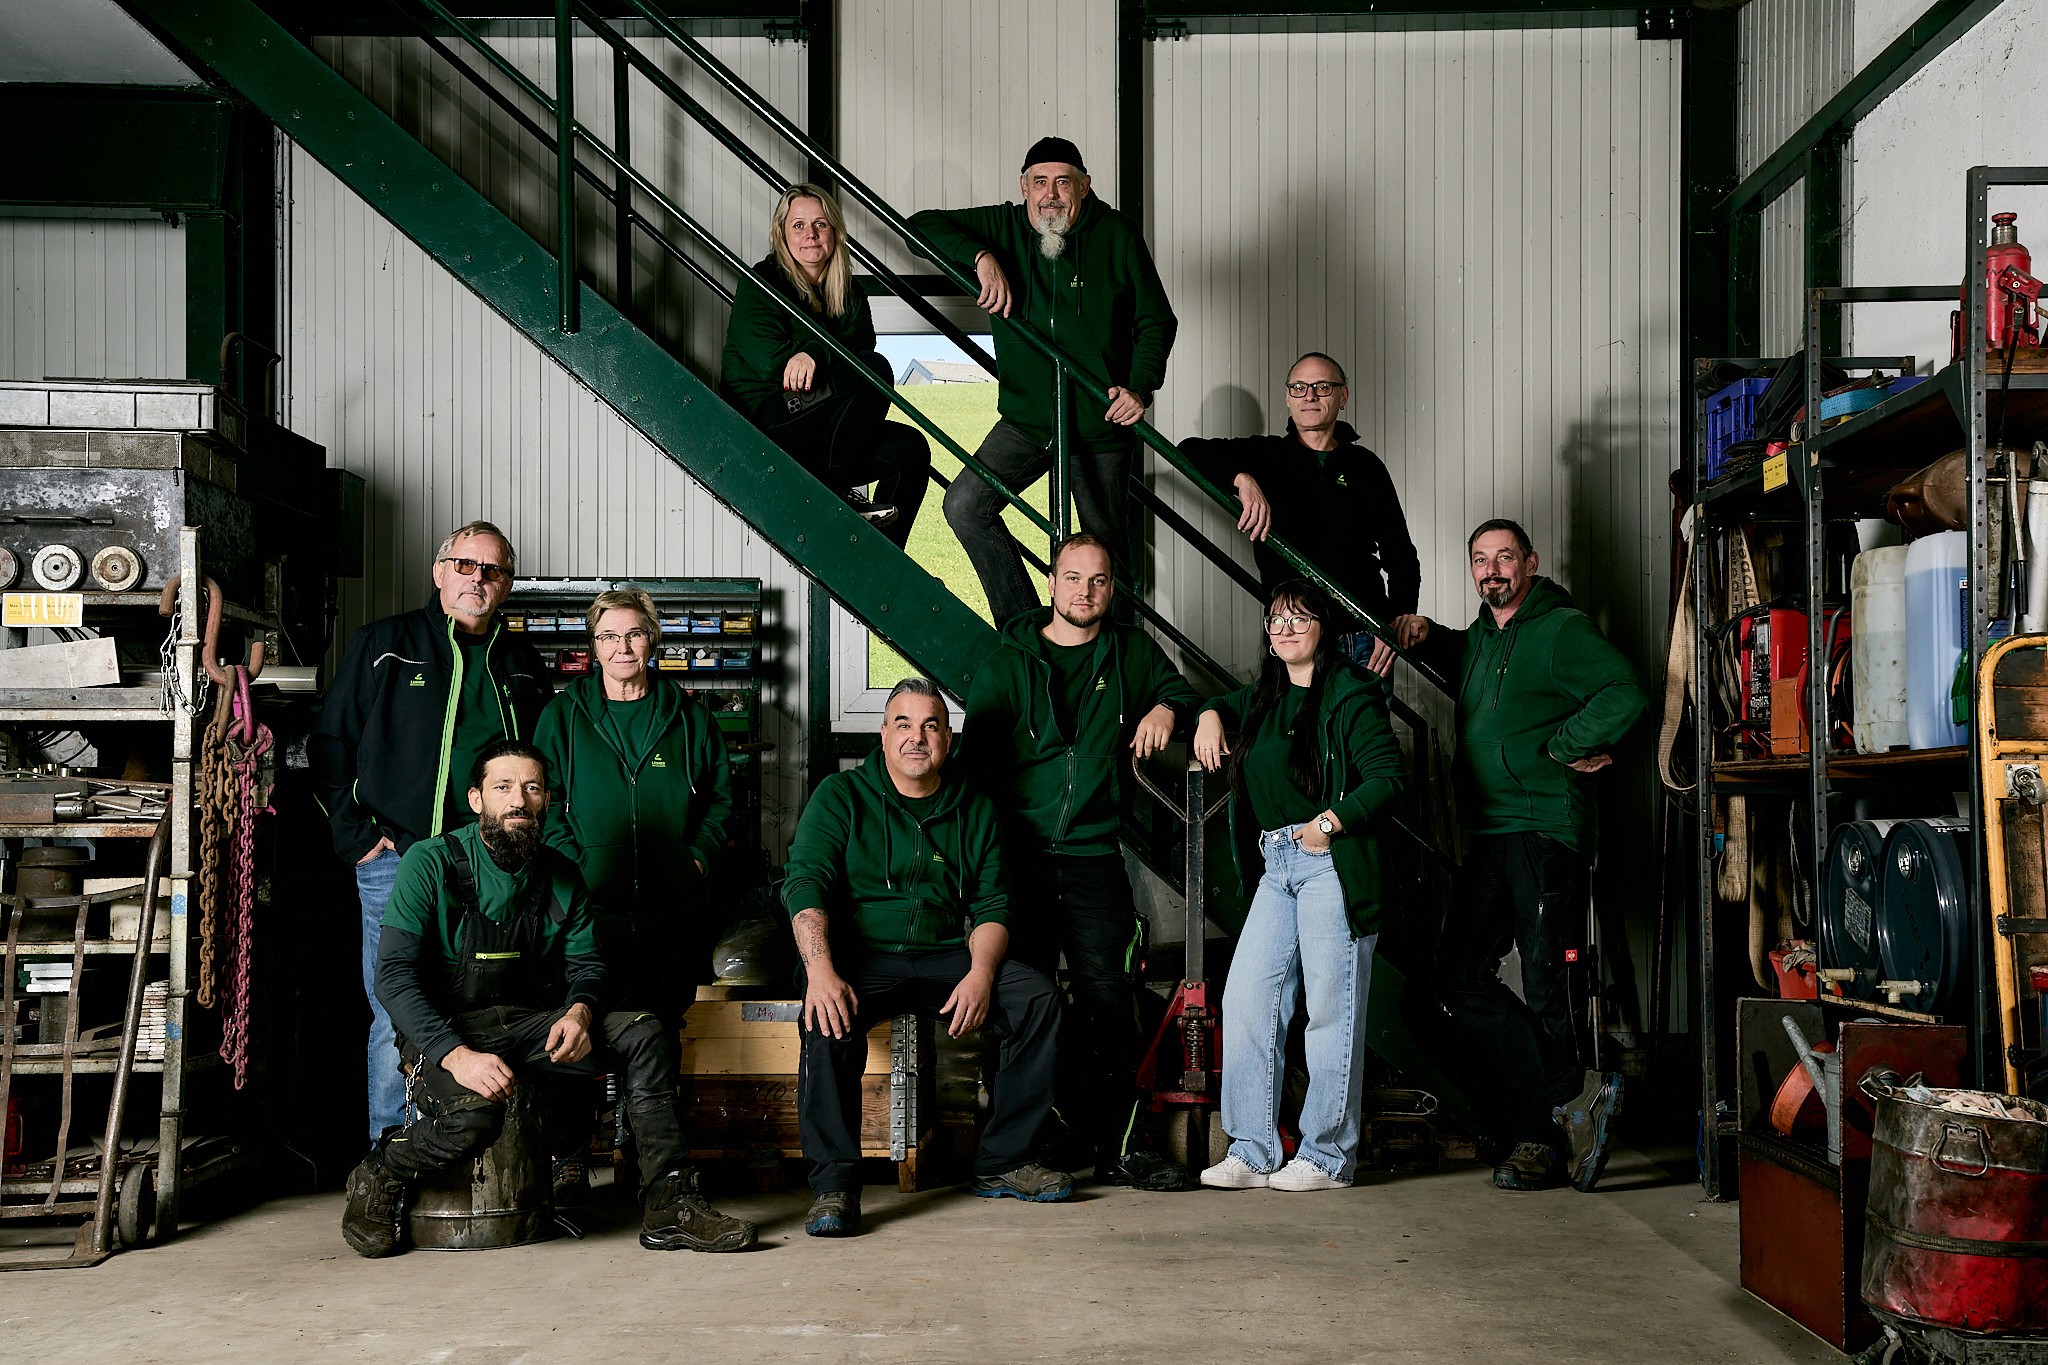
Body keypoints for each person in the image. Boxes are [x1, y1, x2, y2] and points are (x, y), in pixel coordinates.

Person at [340, 740, 757, 1258]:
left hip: (529, 1024)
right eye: (504, 787)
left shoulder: (560, 873)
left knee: (644, 1031)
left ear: (546, 802)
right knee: (475, 1118)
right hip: (448, 1032)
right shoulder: (431, 863)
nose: (519, 799)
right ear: (476, 799)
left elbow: (587, 965)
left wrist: (580, 1013)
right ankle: (380, 1173)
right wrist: (457, 1055)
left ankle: (671, 1205)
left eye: (532, 788)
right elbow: (394, 977)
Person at [1391, 519, 1647, 1192]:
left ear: (1531, 562)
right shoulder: (1482, 635)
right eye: (1480, 559)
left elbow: (1624, 690)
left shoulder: (1560, 629)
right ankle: (1573, 1093)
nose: (1492, 569)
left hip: (1544, 828)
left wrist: (1563, 747)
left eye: (1505, 556)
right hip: (1490, 832)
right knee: (1453, 979)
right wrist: (1426, 634)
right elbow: (1481, 662)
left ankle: (1544, 1141)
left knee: (1547, 990)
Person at [784, 677, 1069, 1236]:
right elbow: (805, 884)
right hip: (860, 957)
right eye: (904, 725)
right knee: (825, 1019)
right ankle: (834, 1187)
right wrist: (820, 970)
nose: (918, 738)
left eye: (931, 726)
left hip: (942, 954)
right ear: (884, 735)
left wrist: (982, 974)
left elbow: (992, 902)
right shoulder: (840, 797)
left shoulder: (974, 808)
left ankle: (1004, 1161)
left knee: (1037, 999)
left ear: (948, 739)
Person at [961, 532, 1200, 1190]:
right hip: (1021, 864)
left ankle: (1122, 1146)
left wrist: (1169, 708)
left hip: (1095, 858)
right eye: (1073, 578)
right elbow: (975, 774)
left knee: (1111, 1002)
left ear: (1111, 589)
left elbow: (1184, 693)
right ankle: (1023, 1146)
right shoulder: (1007, 662)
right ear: (1053, 582)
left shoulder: (1129, 652)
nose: (1084, 591)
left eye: (1098, 580)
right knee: (1022, 1006)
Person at [311, 520, 554, 1147]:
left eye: (493, 569)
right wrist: (356, 836)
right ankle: (393, 1153)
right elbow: (330, 743)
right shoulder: (385, 644)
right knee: (398, 1004)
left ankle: (469, 1150)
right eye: (466, 565)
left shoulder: (521, 664)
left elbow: (541, 762)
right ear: (440, 570)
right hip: (397, 855)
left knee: (487, 1002)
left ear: (506, 584)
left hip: (488, 862)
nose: (478, 578)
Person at [1191, 581, 1405, 1192]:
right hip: (1276, 863)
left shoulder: (1351, 693)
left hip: (1329, 861)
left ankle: (1328, 1157)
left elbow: (1388, 777)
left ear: (1324, 627)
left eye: (1300, 618)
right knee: (1247, 1002)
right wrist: (1208, 714)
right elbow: (1213, 704)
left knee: (1330, 1013)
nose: (1285, 629)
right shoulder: (1264, 694)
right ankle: (1253, 1150)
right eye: (1276, 619)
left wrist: (1329, 822)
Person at [910, 137, 1178, 625]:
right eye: (1039, 182)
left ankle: (1115, 672)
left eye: (1062, 182)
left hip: (1099, 425)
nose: (1050, 194)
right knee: (966, 504)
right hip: (1027, 421)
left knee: (1107, 557)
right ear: (1024, 187)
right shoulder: (1005, 225)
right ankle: (1030, 633)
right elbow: (918, 227)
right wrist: (980, 257)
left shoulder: (1117, 234)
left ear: (1084, 186)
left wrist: (1139, 387)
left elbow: (1157, 321)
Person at [532, 588, 733, 1198]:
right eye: (609, 636)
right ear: (592, 646)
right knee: (575, 1027)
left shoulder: (689, 716)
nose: (622, 647)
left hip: (668, 910)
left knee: (659, 1034)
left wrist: (695, 858)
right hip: (588, 911)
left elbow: (721, 800)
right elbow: (543, 799)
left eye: (634, 634)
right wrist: (575, 872)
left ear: (655, 640)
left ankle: (649, 1166)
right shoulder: (564, 715)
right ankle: (568, 1157)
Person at [1180, 352, 1421, 672]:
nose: (1309, 395)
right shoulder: (1264, 455)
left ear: (1342, 395)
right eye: (1299, 387)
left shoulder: (1365, 466)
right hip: (1292, 633)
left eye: (1322, 386)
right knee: (1295, 722)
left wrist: (1394, 623)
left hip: (1362, 636)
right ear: (1288, 398)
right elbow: (1188, 450)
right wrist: (1241, 479)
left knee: (1363, 724)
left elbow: (1400, 554)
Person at [720, 182, 931, 545]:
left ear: (834, 231)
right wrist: (820, 354)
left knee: (910, 447)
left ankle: (886, 559)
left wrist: (813, 353)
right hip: (767, 419)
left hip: (824, 429)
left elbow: (862, 343)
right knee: (873, 370)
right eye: (798, 225)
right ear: (782, 234)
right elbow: (773, 365)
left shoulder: (848, 291)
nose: (810, 235)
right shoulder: (762, 283)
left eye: (820, 224)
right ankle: (834, 491)